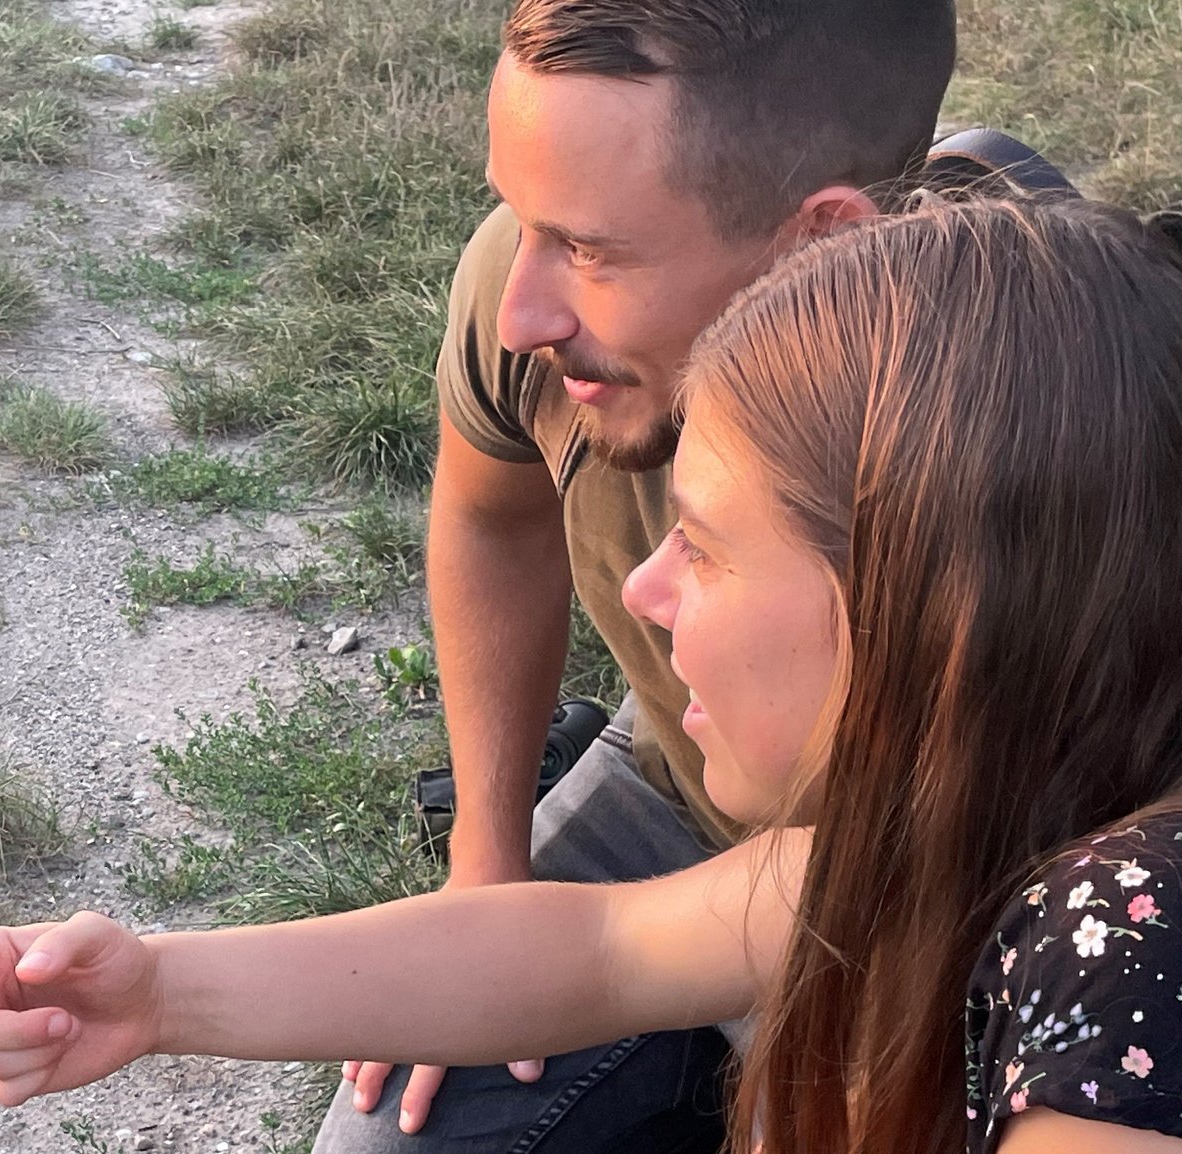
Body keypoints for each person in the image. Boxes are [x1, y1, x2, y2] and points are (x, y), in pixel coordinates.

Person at [0, 197, 1182, 1154]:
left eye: (699, 544)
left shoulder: (1122, 968)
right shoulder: (952, 811)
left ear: (937, 616)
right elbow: (594, 950)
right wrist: (157, 989)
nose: (640, 593)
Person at [333, 0, 958, 1148]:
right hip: (677, 777)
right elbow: (491, 520)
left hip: (938, 878)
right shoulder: (533, 311)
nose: (520, 310)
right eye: (520, 220)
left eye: (587, 249)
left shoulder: (1044, 456)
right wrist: (487, 862)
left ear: (819, 244)